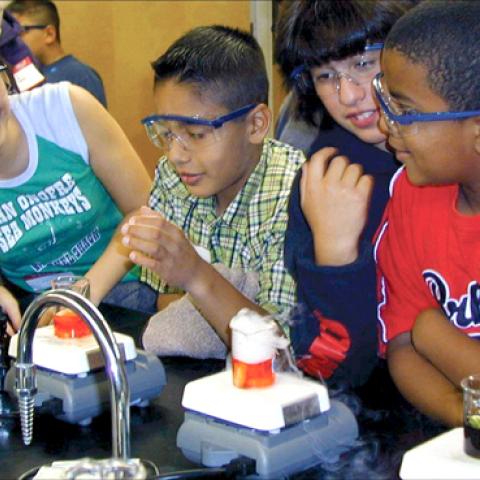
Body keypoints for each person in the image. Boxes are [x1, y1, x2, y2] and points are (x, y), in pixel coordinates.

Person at [121, 25, 305, 356]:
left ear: (255, 124)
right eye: (166, 133)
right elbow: (164, 299)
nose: (175, 155)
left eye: (196, 134)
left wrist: (196, 276)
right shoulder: (174, 176)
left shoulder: (295, 194)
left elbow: (279, 349)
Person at [274, 0, 416, 388]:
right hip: (380, 410)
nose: (348, 95)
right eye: (325, 76)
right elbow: (329, 371)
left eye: (363, 64)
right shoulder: (322, 178)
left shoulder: (458, 151)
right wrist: (334, 253)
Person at [373, 0, 480, 427]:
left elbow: (419, 333)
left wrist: (431, 333)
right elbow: (401, 344)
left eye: (405, 111)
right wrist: (466, 418)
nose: (386, 125)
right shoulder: (411, 194)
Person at [0, 63, 153, 335]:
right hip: (42, 312)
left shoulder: (64, 109)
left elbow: (145, 211)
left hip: (130, 287)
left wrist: (82, 294)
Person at [7, 0, 107, 107]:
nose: (13, 41)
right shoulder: (27, 77)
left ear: (49, 34)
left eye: (19, 32)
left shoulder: (80, 75)